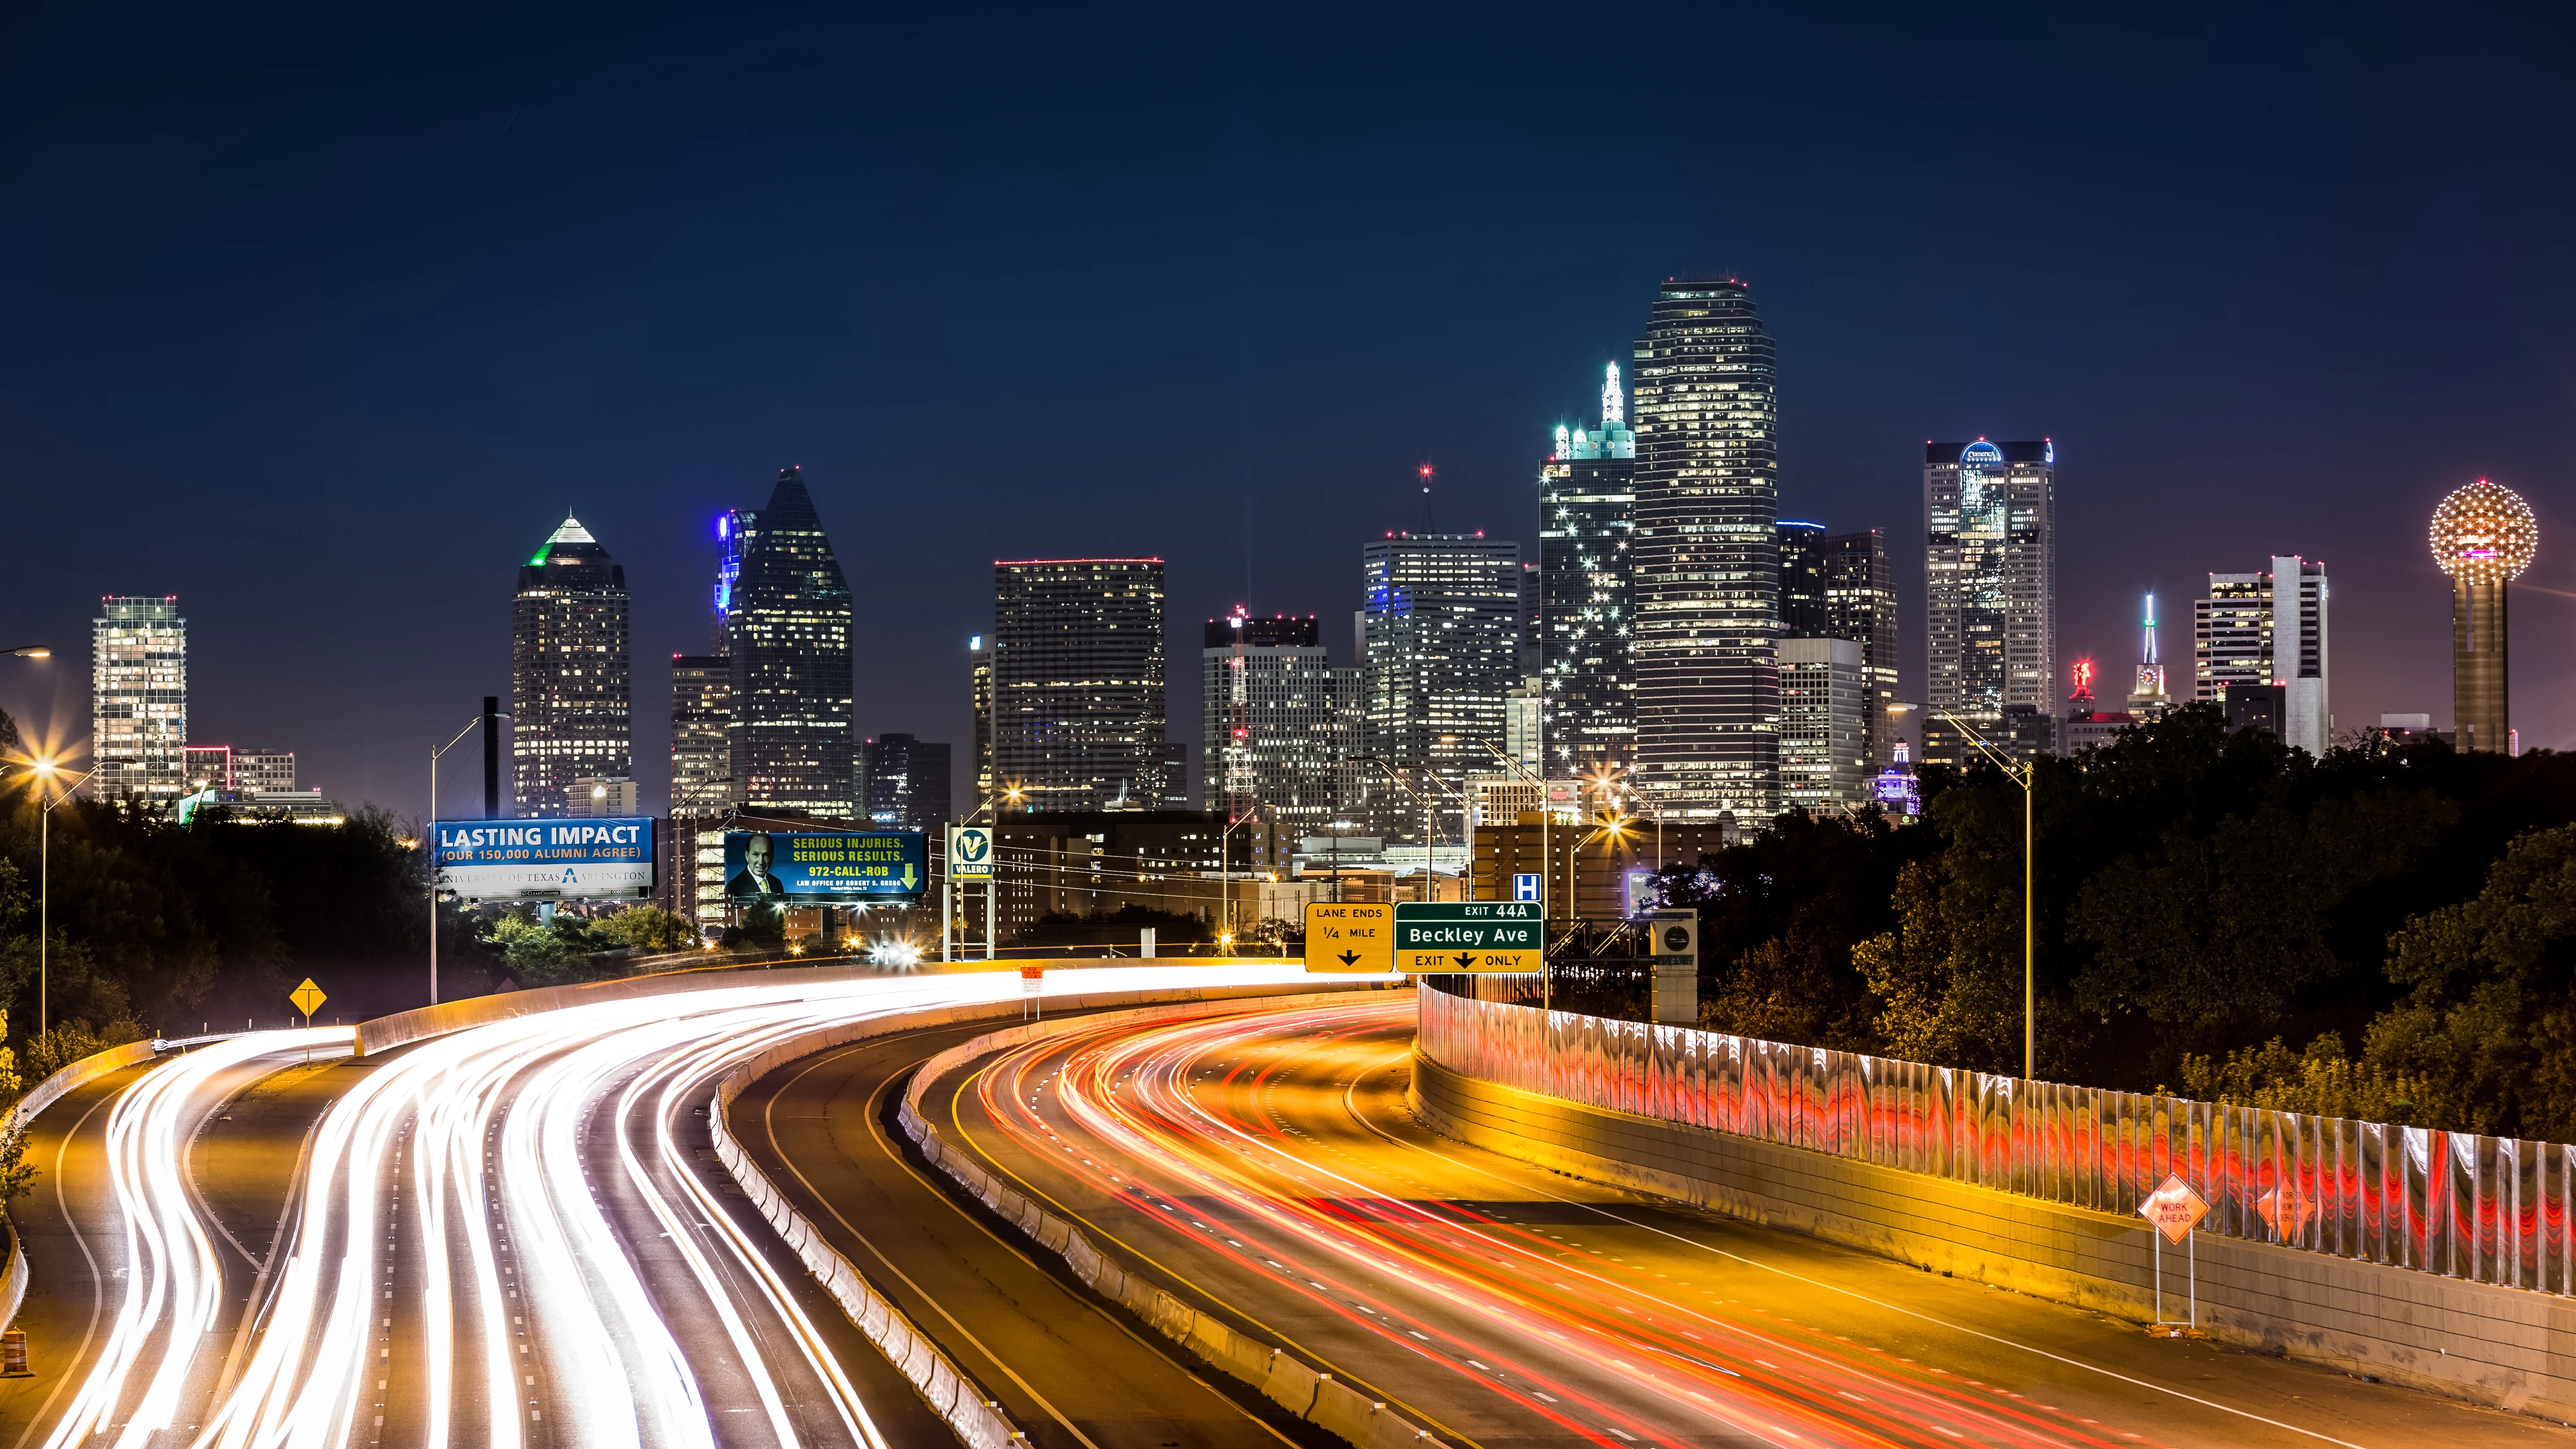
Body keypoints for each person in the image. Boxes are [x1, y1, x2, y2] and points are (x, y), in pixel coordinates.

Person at [726, 832, 787, 898]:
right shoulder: (734, 888)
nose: (761, 862)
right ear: (747, 856)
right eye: (756, 855)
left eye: (766, 855)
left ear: (772, 857)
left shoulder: (777, 883)